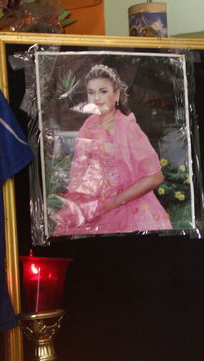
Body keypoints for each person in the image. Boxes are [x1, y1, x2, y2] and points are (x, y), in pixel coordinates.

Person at [53, 64, 172, 235]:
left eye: (103, 91)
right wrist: (85, 203)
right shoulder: (89, 124)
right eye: (91, 92)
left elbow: (155, 177)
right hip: (94, 206)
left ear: (117, 94)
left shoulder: (127, 128)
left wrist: (112, 203)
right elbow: (81, 169)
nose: (96, 98)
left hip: (128, 208)